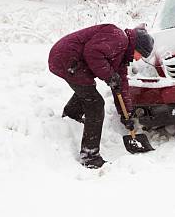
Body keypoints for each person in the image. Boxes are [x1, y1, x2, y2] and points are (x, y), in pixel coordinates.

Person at [48, 24, 154, 169]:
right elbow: (92, 53)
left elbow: (121, 85)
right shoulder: (118, 38)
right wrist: (109, 76)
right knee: (95, 104)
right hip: (67, 57)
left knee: (88, 91)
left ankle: (71, 116)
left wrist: (126, 115)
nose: (138, 59)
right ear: (136, 47)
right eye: (140, 54)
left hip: (69, 59)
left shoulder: (122, 54)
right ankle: (90, 156)